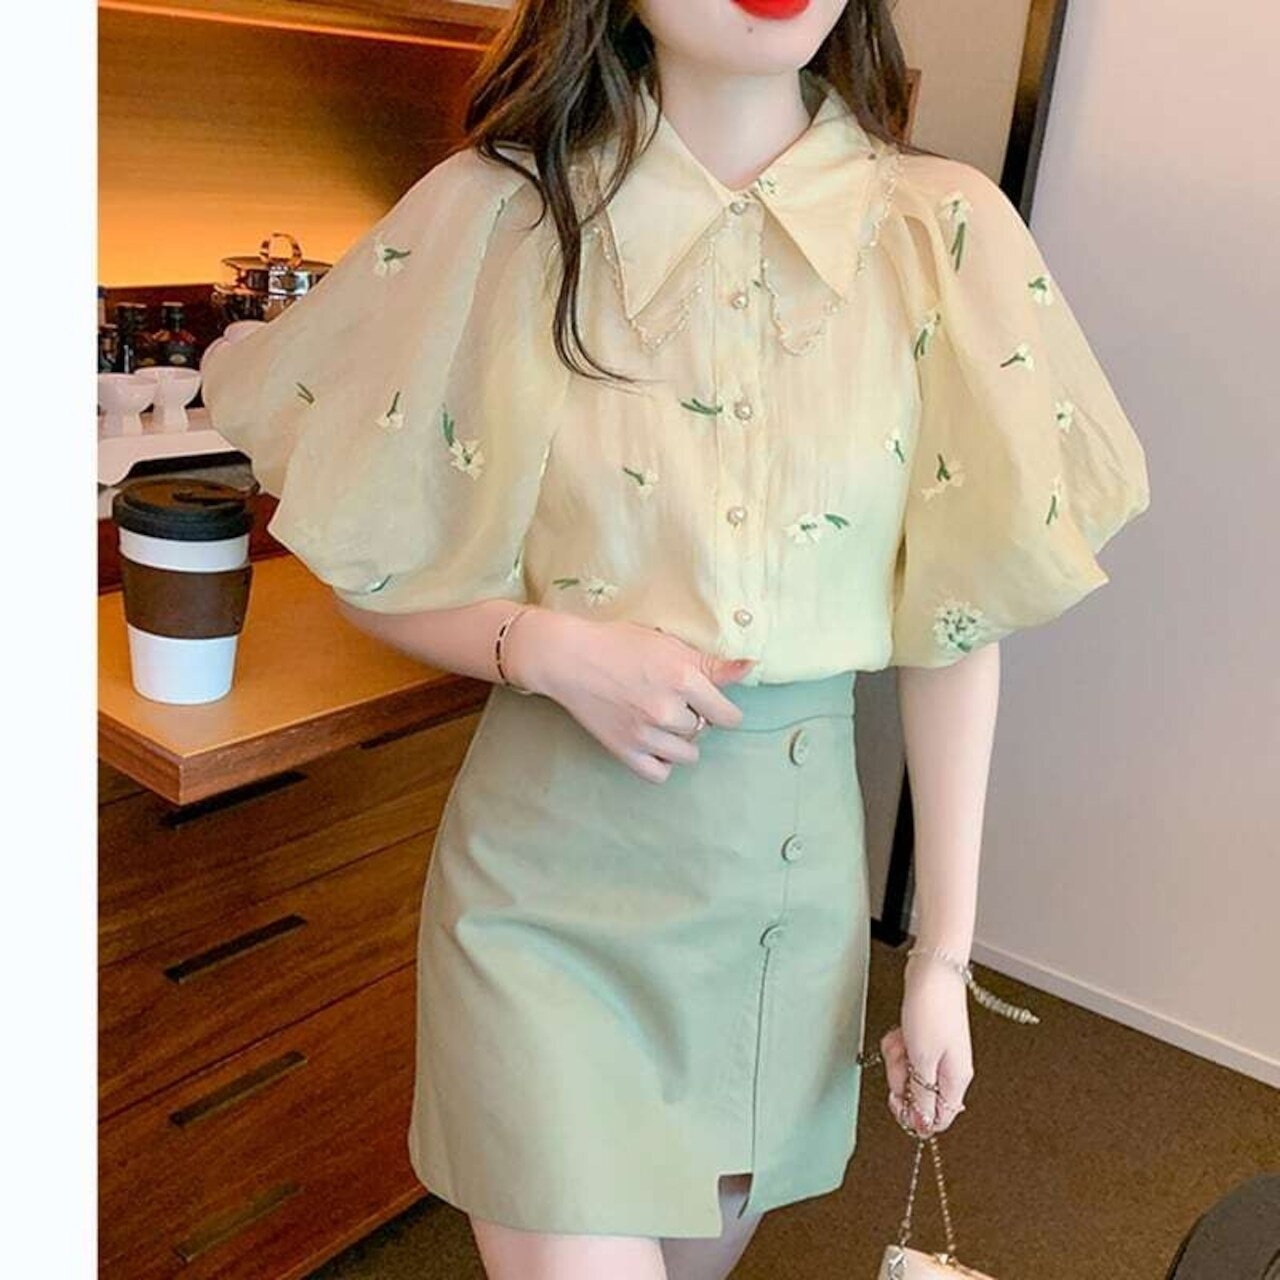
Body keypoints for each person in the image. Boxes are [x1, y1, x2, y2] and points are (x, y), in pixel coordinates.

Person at [200, 1, 1152, 1276]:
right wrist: (544, 647)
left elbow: (957, 618)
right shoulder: (499, 215)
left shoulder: (941, 231)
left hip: (781, 903)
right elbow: (357, 552)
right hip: (544, 896)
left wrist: (940, 955)